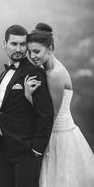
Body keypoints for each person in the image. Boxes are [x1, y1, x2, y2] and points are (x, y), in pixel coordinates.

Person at [24, 22, 94, 187]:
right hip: (62, 132)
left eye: (37, 51)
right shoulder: (50, 69)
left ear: (50, 49)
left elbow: (50, 114)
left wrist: (28, 95)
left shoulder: (54, 75)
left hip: (58, 137)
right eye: (29, 52)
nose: (32, 56)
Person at [0, 24, 54, 187]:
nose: (19, 49)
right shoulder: (3, 74)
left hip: (26, 152)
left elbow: (46, 114)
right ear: (4, 44)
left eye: (22, 44)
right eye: (14, 44)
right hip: (4, 150)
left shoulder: (34, 72)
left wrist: (37, 150)